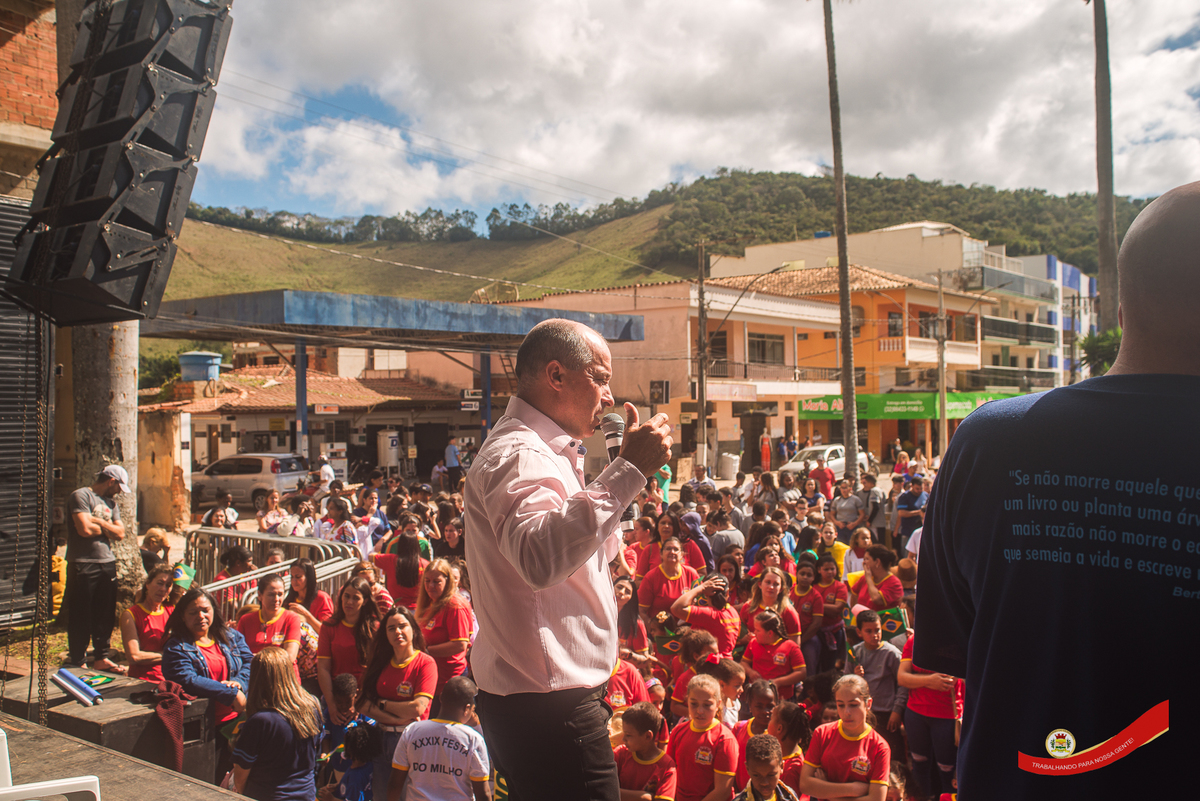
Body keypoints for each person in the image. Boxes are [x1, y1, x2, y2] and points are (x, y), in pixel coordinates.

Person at [462, 318, 672, 801]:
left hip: (548, 700)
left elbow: (585, 556)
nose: (609, 398)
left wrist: (622, 484)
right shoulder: (519, 454)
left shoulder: (549, 451)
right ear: (556, 375)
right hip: (549, 706)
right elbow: (539, 558)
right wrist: (628, 470)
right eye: (600, 378)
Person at [162, 588, 253, 782]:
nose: (201, 616)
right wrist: (229, 694)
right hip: (204, 730)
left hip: (237, 724)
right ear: (182, 616)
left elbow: (249, 662)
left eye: (205, 610)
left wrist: (239, 684)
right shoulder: (176, 647)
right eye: (193, 612)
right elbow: (187, 679)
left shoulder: (231, 636)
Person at [357, 605, 438, 794]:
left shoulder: (425, 663)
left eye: (402, 626)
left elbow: (417, 708)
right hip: (380, 738)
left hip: (411, 740)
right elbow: (362, 703)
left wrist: (382, 704)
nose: (397, 632)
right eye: (391, 628)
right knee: (381, 795)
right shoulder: (380, 663)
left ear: (413, 629)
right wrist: (394, 718)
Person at [230, 647, 322, 801]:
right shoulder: (313, 706)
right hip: (306, 795)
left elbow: (241, 775)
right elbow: (316, 749)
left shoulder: (261, 721)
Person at [65, 464, 129, 672]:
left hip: (106, 562)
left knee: (105, 613)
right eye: (119, 487)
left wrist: (98, 522)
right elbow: (84, 529)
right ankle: (78, 659)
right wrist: (108, 527)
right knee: (80, 612)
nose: (120, 492)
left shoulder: (111, 503)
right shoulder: (81, 496)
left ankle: (101, 657)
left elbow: (120, 534)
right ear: (111, 481)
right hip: (82, 562)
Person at [389, 675, 489, 801]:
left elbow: (395, 784)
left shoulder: (412, 731)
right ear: (467, 708)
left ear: (441, 698)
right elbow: (483, 793)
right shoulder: (473, 739)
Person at [798, 675, 890, 801]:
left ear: (868, 704)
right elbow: (805, 785)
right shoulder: (822, 733)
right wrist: (853, 789)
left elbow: (876, 798)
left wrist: (826, 792)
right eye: (841, 705)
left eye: (853, 705)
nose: (847, 712)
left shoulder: (880, 747)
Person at [899, 633, 961, 801]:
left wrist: (917, 679)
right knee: (919, 766)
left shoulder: (956, 638)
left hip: (946, 717)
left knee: (948, 771)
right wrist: (929, 680)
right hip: (916, 714)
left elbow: (951, 680)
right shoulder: (914, 640)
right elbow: (902, 677)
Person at [317, 578, 380, 727]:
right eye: (346, 596)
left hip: (366, 697)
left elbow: (376, 668)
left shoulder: (374, 628)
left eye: (356, 598)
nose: (349, 602)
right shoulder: (329, 627)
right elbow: (323, 668)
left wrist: (359, 702)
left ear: (365, 601)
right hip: (335, 698)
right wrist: (332, 705)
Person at [845, 609, 906, 762]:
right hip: (863, 712)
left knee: (892, 754)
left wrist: (897, 711)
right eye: (869, 631)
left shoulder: (892, 654)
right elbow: (845, 683)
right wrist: (854, 677)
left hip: (886, 713)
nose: (875, 635)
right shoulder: (855, 653)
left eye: (877, 630)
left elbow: (903, 684)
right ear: (859, 632)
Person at [667, 674, 738, 801]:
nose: (700, 711)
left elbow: (722, 791)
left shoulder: (725, 740)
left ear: (718, 704)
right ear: (687, 701)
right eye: (694, 704)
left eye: (707, 705)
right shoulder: (678, 731)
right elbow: (669, 772)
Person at [414, 559, 473, 708]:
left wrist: (426, 651)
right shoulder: (429, 602)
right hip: (432, 675)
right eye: (427, 581)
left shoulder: (455, 606)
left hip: (449, 680)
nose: (430, 586)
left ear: (447, 581)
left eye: (436, 581)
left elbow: (460, 644)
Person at [119, 563, 174, 682]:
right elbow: (134, 656)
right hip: (145, 680)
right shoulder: (130, 615)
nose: (163, 589)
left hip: (172, 678)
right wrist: (168, 655)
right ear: (148, 584)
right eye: (160, 583)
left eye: (168, 585)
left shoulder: (171, 610)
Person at [613, 701, 677, 801]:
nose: (623, 739)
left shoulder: (667, 765)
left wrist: (619, 793)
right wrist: (644, 797)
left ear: (648, 736)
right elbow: (604, 787)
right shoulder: (620, 754)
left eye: (628, 735)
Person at [237, 574, 302, 663]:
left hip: (282, 670)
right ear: (260, 595)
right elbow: (239, 654)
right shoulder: (245, 620)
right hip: (252, 670)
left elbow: (290, 656)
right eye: (271, 595)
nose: (276, 599)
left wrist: (257, 658)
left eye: (280, 594)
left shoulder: (291, 618)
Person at [372, 522, 427, 610]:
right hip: (417, 609)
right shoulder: (425, 564)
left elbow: (371, 557)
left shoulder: (390, 560)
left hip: (394, 607)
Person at [734, 734, 801, 801]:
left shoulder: (790, 796)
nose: (764, 783)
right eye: (756, 775)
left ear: (781, 767)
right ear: (747, 769)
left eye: (771, 775)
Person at [766, 703, 811, 799]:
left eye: (771, 719)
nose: (768, 723)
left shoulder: (789, 771)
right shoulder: (793, 752)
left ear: (779, 728)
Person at [848, 545, 903, 612]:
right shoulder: (863, 578)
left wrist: (868, 578)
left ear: (877, 562)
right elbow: (854, 595)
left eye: (867, 559)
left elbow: (876, 599)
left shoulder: (894, 583)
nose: (864, 563)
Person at [284, 559, 335, 628]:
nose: (294, 580)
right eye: (292, 577)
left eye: (298, 577)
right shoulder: (289, 598)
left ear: (309, 577)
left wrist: (306, 615)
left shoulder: (322, 598)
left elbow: (327, 630)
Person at [893, 479, 926, 556]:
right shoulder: (905, 497)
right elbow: (901, 513)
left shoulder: (925, 495)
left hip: (922, 532)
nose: (919, 491)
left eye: (921, 488)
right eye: (917, 489)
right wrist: (919, 512)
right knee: (907, 555)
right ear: (912, 486)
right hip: (908, 532)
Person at [856, 474, 886, 545]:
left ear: (870, 483)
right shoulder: (880, 490)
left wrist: (869, 520)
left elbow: (876, 507)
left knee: (876, 544)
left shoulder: (874, 491)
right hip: (880, 522)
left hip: (876, 523)